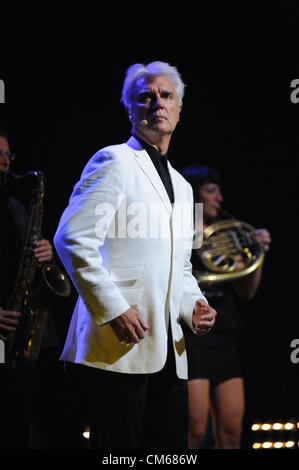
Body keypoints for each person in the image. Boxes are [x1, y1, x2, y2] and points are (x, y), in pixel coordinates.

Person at [54, 61, 217, 449]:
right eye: (145, 96)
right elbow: (70, 239)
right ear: (130, 109)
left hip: (169, 351)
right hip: (120, 345)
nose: (156, 102)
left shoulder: (184, 186)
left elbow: (180, 266)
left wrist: (193, 303)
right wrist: (113, 308)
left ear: (179, 108)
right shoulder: (112, 160)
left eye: (166, 96)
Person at [180, 165, 271, 449]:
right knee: (194, 431)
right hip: (192, 331)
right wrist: (194, 223)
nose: (219, 198)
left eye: (219, 191)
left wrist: (259, 255)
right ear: (194, 195)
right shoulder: (181, 230)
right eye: (211, 191)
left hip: (225, 328)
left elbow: (247, 291)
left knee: (231, 430)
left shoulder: (228, 233)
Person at [0, 125, 59, 449]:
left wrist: (47, 255)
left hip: (18, 337)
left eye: (8, 155)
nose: (6, 162)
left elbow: (32, 267)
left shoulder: (17, 207)